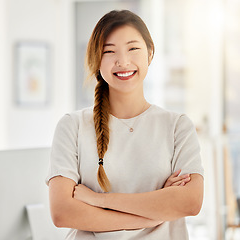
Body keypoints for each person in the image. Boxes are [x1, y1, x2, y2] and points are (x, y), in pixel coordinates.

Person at [46, 9, 204, 240]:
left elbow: (190, 202)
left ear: (150, 53)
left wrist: (99, 200)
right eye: (109, 51)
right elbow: (62, 212)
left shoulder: (177, 126)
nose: (123, 61)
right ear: (96, 60)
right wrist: (153, 215)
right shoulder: (73, 126)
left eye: (133, 48)